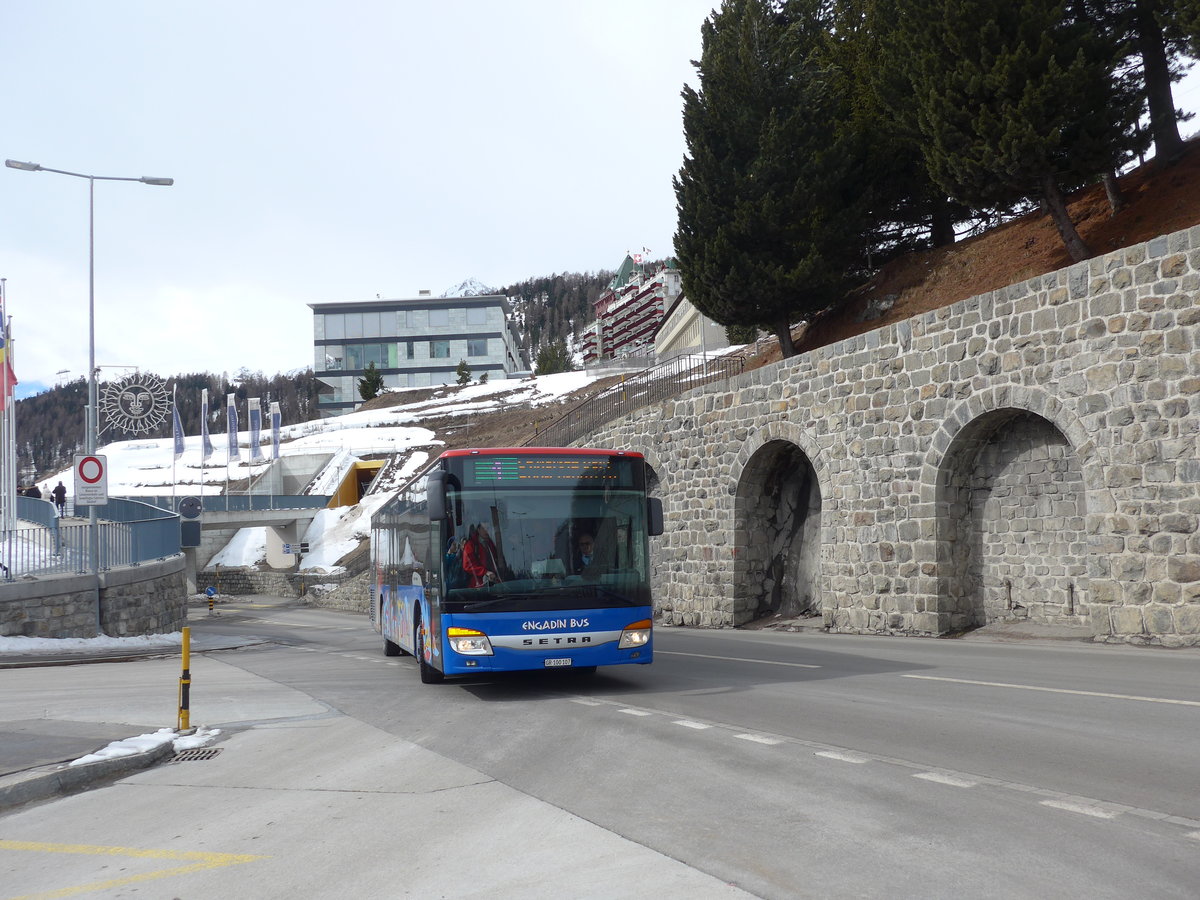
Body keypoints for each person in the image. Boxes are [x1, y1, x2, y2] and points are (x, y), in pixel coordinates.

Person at [462, 523, 502, 588]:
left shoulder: (491, 543)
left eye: (488, 528)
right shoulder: (470, 544)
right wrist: (485, 572)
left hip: (495, 584)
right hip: (478, 587)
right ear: (478, 529)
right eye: (484, 528)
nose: (486, 530)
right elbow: (467, 565)